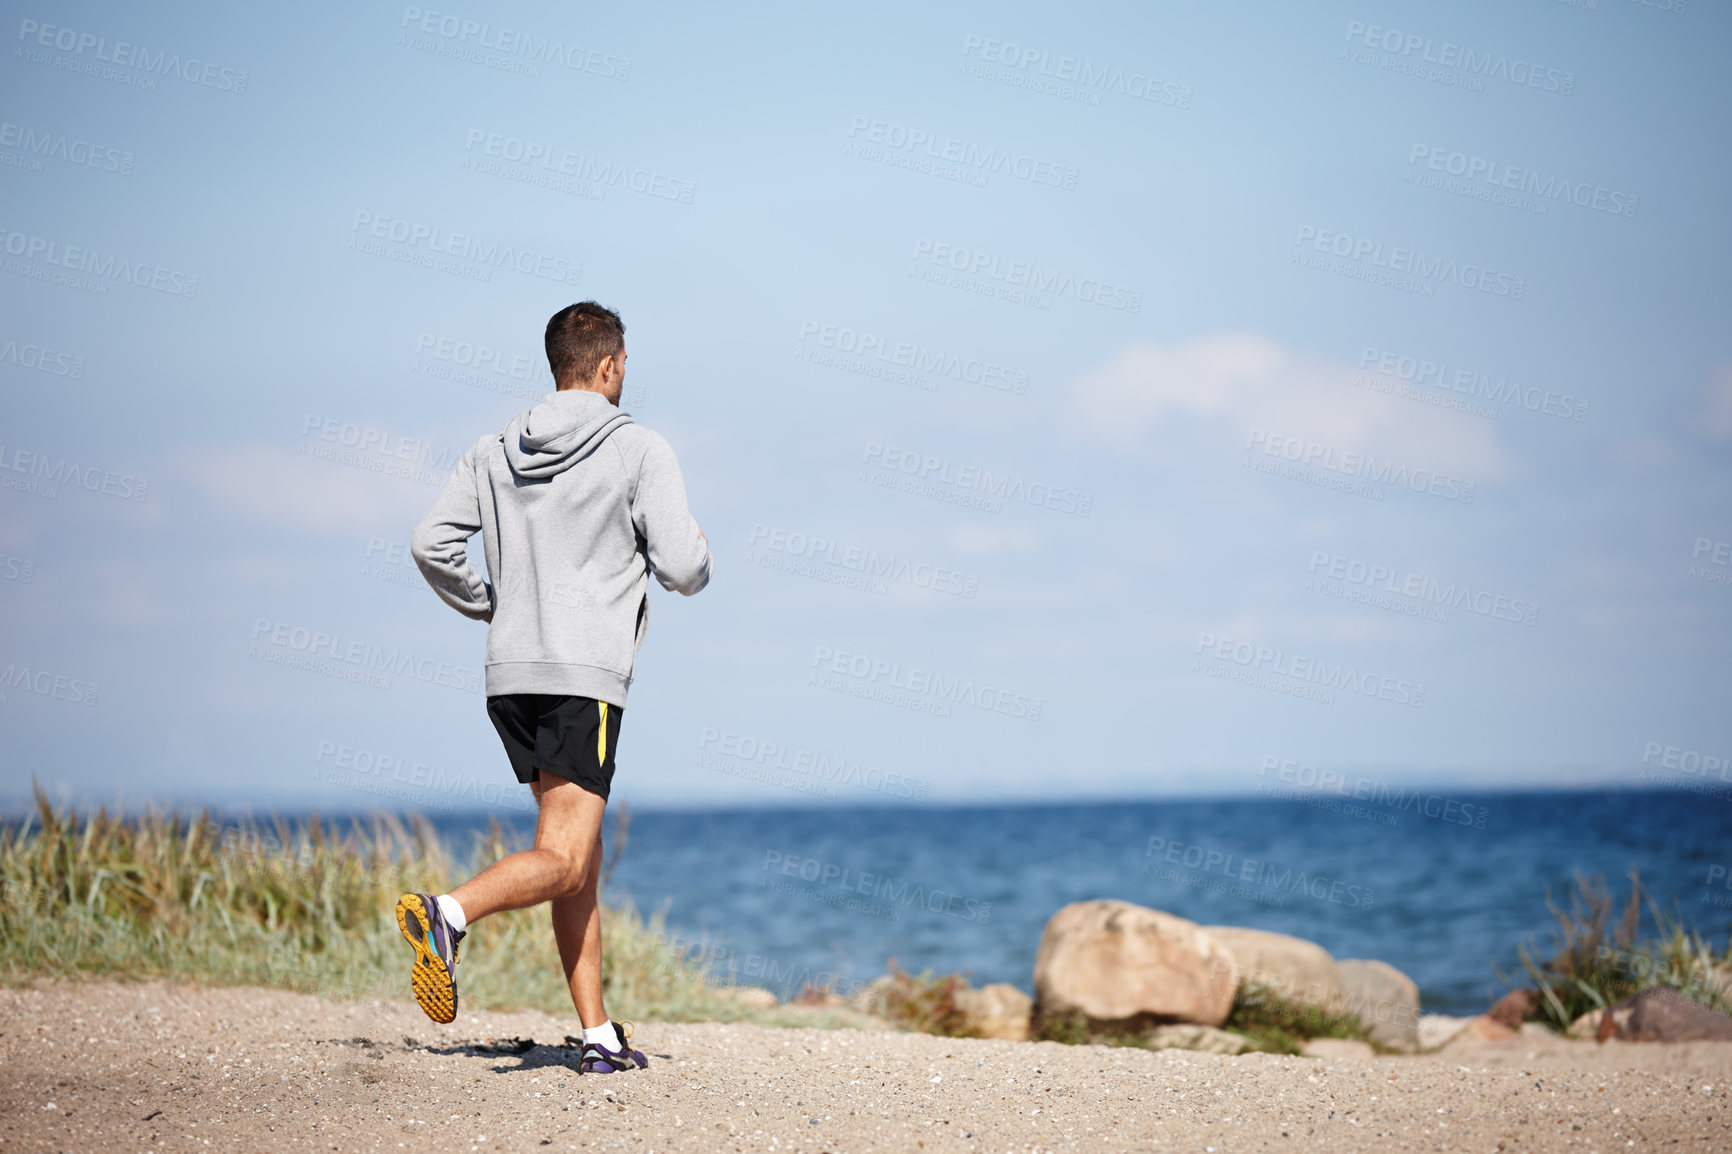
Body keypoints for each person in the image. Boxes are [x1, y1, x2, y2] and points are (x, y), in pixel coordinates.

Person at [400, 301, 711, 1074]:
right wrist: (700, 554)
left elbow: (428, 543)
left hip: (512, 678)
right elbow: (682, 567)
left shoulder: (494, 450)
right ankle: (448, 913)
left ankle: (598, 1033)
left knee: (577, 852)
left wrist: (493, 607)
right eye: (624, 363)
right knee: (566, 859)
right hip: (582, 679)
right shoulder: (638, 448)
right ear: (608, 366)